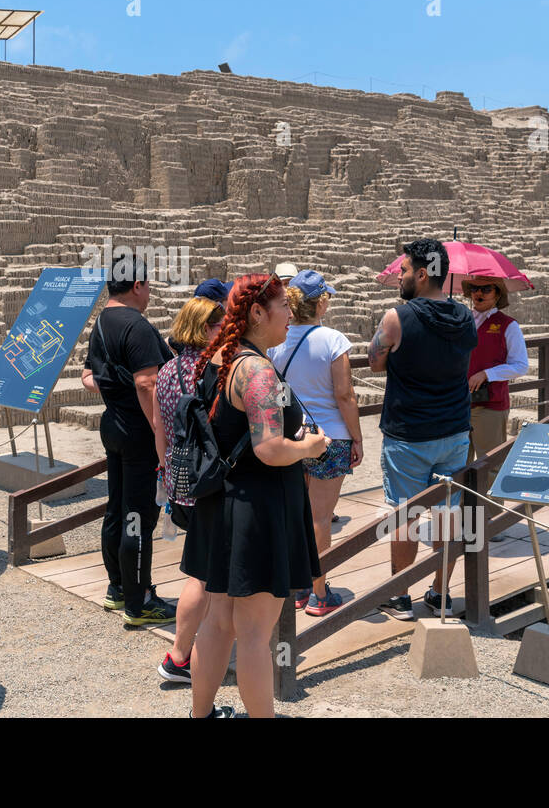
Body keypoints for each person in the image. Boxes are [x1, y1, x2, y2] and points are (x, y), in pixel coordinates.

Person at [182, 273, 328, 718]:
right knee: (253, 634)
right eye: (283, 305)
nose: (289, 312)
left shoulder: (219, 357)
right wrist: (310, 447)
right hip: (257, 510)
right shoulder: (257, 369)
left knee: (218, 622)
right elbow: (269, 448)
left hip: (221, 505)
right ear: (258, 313)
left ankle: (200, 714)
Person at [368, 239, 478, 620]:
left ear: (420, 273)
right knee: (450, 514)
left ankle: (400, 596)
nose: (398, 276)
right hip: (454, 431)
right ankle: (440, 592)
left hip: (408, 434)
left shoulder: (396, 318)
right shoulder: (464, 318)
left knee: (405, 516)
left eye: (402, 270)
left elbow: (375, 363)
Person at [81, 255, 176, 627]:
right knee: (139, 516)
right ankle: (140, 602)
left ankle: (118, 588)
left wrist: (112, 391)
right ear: (137, 285)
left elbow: (90, 376)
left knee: (117, 510)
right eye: (148, 285)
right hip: (139, 433)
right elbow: (146, 383)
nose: (150, 292)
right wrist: (160, 435)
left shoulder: (102, 322)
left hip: (114, 426)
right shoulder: (135, 326)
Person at [267, 270, 364, 616]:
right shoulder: (334, 340)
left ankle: (298, 587)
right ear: (321, 302)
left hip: (296, 436)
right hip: (330, 436)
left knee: (297, 513)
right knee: (320, 517)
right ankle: (320, 592)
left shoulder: (278, 341)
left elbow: (279, 394)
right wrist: (357, 437)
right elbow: (344, 394)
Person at [152, 295, 225, 684]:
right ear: (204, 328)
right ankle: (183, 655)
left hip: (180, 477)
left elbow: (160, 427)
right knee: (203, 575)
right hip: (209, 480)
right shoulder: (211, 370)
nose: (225, 330)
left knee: (202, 568)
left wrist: (166, 471)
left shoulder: (166, 371)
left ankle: (200, 649)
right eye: (219, 325)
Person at [462, 276, 528, 464]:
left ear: (498, 293)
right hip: (458, 403)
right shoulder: (461, 321)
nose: (478, 293)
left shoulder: (509, 325)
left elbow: (521, 365)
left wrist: (487, 374)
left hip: (489, 404)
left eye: (486, 289)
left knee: (489, 465)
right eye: (474, 289)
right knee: (457, 466)